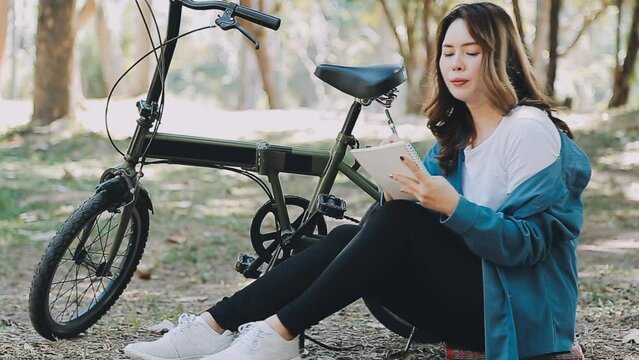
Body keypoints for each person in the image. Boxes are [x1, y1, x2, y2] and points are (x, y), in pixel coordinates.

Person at [124, 2, 591, 360]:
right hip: (460, 302)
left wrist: (450, 206)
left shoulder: (527, 130)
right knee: (360, 228)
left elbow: (527, 246)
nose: (457, 64)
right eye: (448, 52)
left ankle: (277, 336)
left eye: (472, 52)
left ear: (502, 58)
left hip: (516, 317)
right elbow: (428, 234)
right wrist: (410, 195)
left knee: (402, 219)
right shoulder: (456, 136)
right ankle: (214, 327)